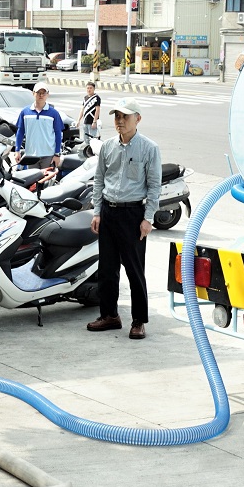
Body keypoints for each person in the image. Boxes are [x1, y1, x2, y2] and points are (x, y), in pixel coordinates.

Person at [86, 98, 161, 340]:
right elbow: (99, 180)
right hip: (109, 212)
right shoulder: (107, 147)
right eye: (116, 116)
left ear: (137, 118)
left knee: (134, 269)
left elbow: (154, 186)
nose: (119, 121)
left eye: (124, 116)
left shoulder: (149, 148)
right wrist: (97, 211)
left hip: (132, 215)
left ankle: (139, 321)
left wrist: (148, 218)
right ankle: (109, 315)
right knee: (107, 269)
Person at [14, 81, 64, 169]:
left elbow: (58, 134)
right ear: (33, 93)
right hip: (31, 155)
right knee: (32, 181)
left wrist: (57, 154)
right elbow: (20, 132)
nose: (41, 95)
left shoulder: (54, 113)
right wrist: (17, 150)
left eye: (44, 93)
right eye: (38, 93)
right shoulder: (25, 112)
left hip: (48, 155)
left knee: (47, 181)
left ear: (47, 95)